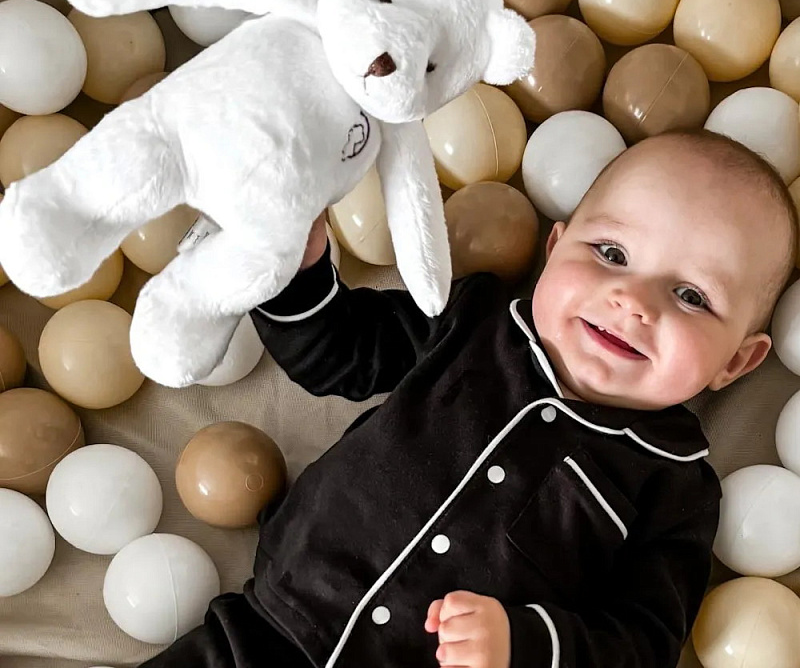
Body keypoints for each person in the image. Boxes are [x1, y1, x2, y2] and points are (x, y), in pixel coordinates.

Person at [143, 130, 798, 668]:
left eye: (691, 296)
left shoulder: (675, 487)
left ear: (736, 361)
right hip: (266, 633)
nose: (633, 301)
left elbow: (643, 641)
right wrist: (301, 266)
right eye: (611, 252)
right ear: (554, 248)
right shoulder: (472, 323)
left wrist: (526, 644)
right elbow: (341, 352)